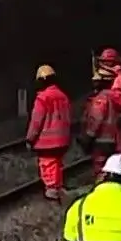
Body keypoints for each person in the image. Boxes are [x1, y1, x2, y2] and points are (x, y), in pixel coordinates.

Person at [77, 49, 121, 185]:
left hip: (102, 139)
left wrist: (87, 136)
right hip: (112, 135)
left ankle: (103, 188)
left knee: (101, 167)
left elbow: (96, 118)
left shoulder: (103, 97)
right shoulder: (110, 91)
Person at [26, 64, 75, 202]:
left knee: (47, 163)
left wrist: (30, 138)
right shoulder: (63, 96)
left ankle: (52, 189)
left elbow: (36, 121)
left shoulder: (42, 98)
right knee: (57, 163)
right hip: (63, 139)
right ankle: (57, 187)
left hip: (46, 142)